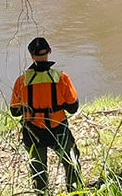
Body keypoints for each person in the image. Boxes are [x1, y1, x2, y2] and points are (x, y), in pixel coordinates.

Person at [10, 37, 83, 195]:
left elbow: (14, 112)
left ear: (31, 55)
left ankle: (41, 193)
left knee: (38, 171)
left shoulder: (22, 81)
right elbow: (73, 108)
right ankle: (74, 191)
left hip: (33, 131)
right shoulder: (62, 78)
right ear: (49, 52)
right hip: (58, 129)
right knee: (72, 164)